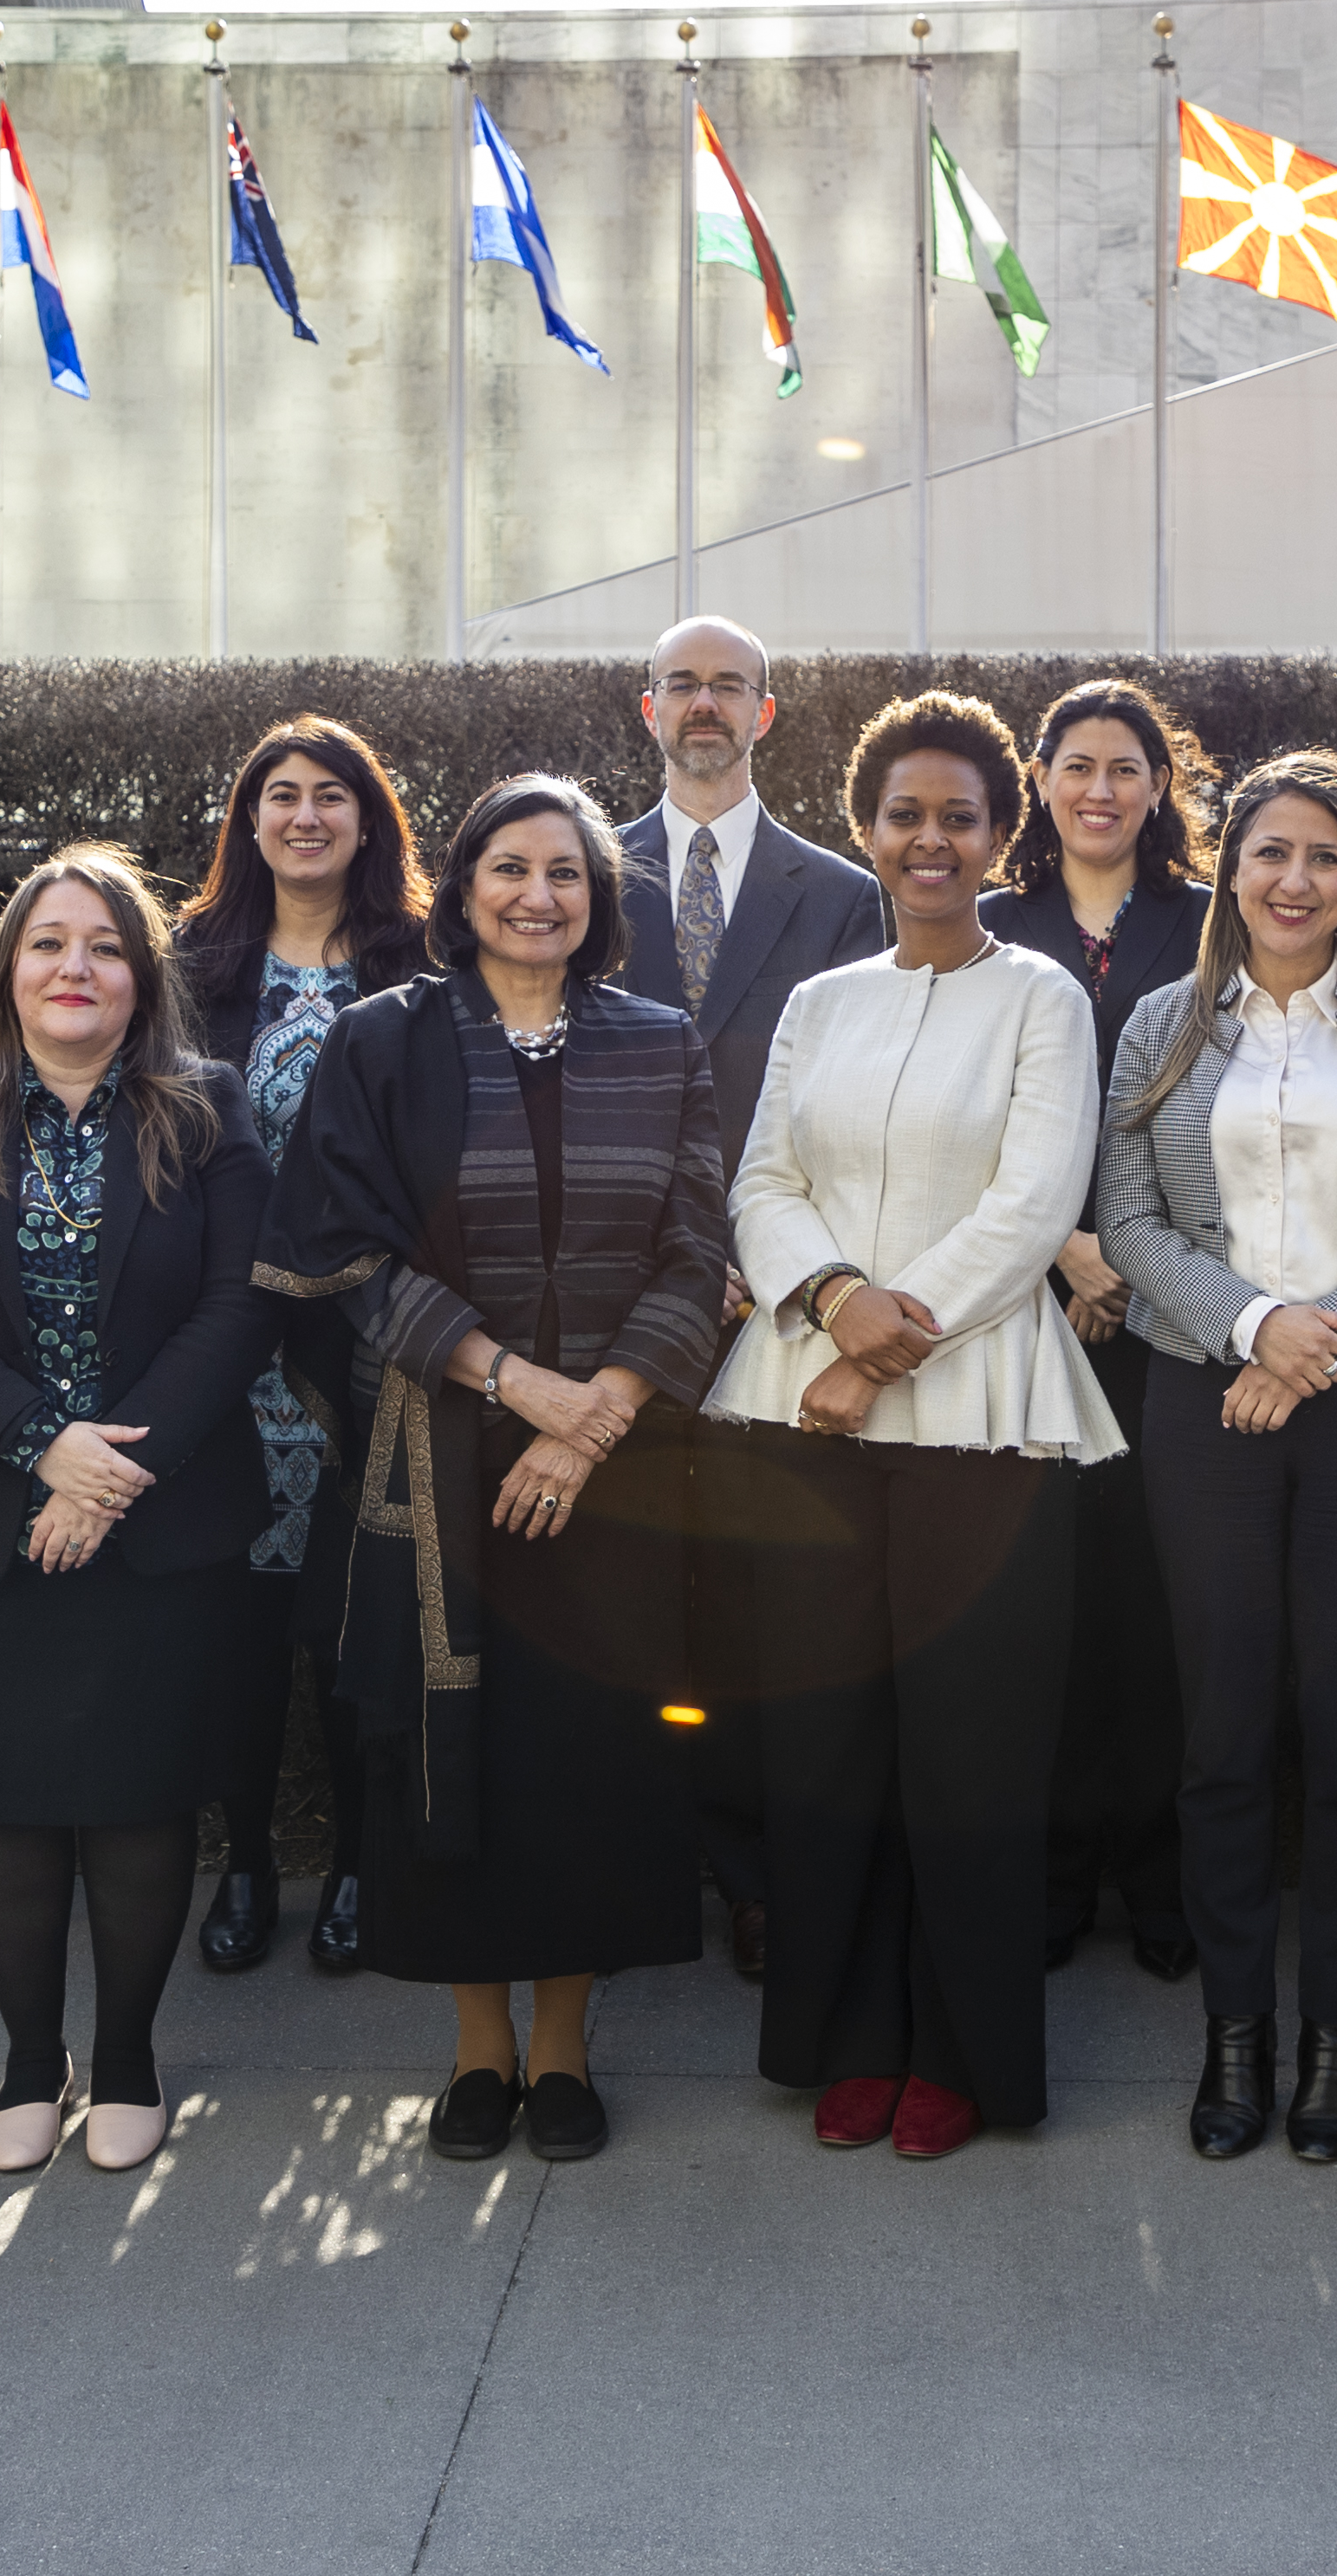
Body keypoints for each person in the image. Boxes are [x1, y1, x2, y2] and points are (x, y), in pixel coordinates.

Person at [261, 777, 735, 2164]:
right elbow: (334, 1251)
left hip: (618, 1468)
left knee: (584, 1758)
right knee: (444, 1758)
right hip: (439, 1460)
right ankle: (478, 2049)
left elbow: (695, 1250)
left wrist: (592, 1421)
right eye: (511, 869)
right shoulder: (381, 1044)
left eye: (568, 874)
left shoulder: (661, 1044)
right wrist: (516, 1386)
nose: (540, 895)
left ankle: (569, 2046)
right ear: (461, 888)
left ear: (599, 902)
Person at [711, 690, 1115, 2159]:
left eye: (958, 816)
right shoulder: (823, 1003)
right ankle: (848, 2035)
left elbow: (1034, 1199)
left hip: (983, 1415)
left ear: (1001, 836)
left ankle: (962, 2050)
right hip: (800, 1403)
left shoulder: (1044, 997)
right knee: (825, 1746)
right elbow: (760, 1182)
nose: (929, 839)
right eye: (903, 814)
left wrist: (881, 1346)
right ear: (866, 830)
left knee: (971, 1750)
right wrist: (826, 1298)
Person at [0, 847, 275, 2178]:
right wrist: (43, 1450)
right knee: (8, 1806)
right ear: (9, 972)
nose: (73, 967)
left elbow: (241, 1304)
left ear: (141, 977)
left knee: (140, 1797)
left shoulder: (208, 1109)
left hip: (157, 1525)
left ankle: (133, 2058)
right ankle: (32, 2063)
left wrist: (109, 1474)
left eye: (102, 945)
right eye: (47, 944)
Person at [1094, 749, 1337, 2165]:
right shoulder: (1161, 1024)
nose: (1295, 880)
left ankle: (1336, 2041)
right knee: (1225, 1731)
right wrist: (1255, 1328)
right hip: (1207, 1393)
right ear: (1231, 870)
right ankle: (1234, 2037)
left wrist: (1325, 1344)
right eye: (1270, 853)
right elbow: (1128, 1225)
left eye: (1324, 857)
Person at [618, 612, 879, 1977]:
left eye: (731, 685)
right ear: (645, 708)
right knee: (665, 1601)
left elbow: (859, 1104)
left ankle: (782, 1872)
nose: (706, 704)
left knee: (781, 1591)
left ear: (768, 714)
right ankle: (697, 1856)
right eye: (683, 684)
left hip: (788, 1298)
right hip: (633, 1300)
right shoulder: (577, 877)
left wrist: (779, 1263)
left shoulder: (840, 893)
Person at [176, 712, 436, 1981]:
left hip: (363, 1341)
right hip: (222, 1340)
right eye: (279, 792)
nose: (305, 814)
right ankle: (240, 1863)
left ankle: (351, 1863)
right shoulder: (190, 964)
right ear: (250, 820)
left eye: (332, 793)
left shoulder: (422, 959)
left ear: (368, 820)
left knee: (349, 1620)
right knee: (232, 1627)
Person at [977, 677, 1217, 1983]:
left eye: (1127, 767)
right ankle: (1061, 1872)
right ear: (1042, 779)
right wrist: (1060, 1250)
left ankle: (1164, 1881)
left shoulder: (1212, 925)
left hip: (1175, 1317)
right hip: (1021, 1312)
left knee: (1163, 1609)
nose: (1101, 789)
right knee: (1050, 1609)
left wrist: (1127, 1256)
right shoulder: (990, 923)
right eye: (1077, 765)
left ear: (1159, 785)